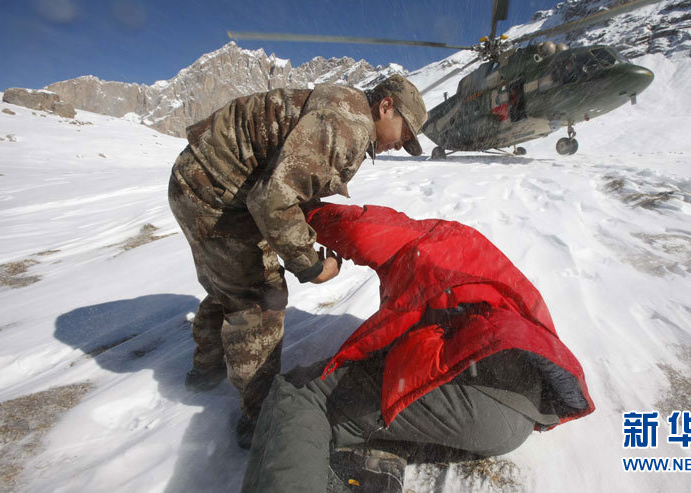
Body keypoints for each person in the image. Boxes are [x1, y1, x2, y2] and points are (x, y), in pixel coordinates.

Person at [241, 203, 595, 492]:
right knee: (372, 400)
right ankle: (369, 454)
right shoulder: (490, 267)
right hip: (518, 419)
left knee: (302, 394)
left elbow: (357, 228)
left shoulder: (428, 238)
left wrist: (298, 212)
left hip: (472, 393)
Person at [168, 75, 428, 447]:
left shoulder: (344, 108)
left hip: (199, 180)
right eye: (405, 133)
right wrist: (311, 265)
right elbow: (272, 200)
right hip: (215, 193)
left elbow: (291, 183)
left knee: (230, 281)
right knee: (259, 299)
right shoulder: (349, 127)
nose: (401, 144)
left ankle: (206, 368)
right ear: (386, 106)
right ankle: (258, 417)